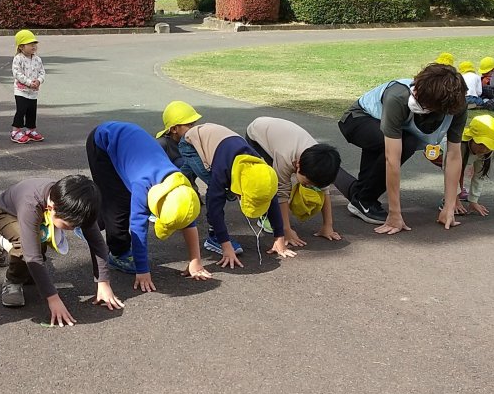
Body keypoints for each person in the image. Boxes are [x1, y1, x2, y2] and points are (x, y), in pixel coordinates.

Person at [336, 62, 468, 235]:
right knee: (407, 143)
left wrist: (449, 206)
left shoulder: (456, 106)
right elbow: (392, 159)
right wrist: (394, 214)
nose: (416, 95)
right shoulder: (398, 97)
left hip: (391, 130)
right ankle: (363, 200)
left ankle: (353, 188)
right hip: (358, 120)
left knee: (404, 144)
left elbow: (453, 156)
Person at [86, 121, 209, 292]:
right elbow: (138, 227)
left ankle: (95, 221)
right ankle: (118, 253)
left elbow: (187, 216)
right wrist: (143, 270)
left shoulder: (180, 185)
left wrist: (195, 260)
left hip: (130, 143)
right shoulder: (142, 184)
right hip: (102, 141)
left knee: (117, 195)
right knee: (117, 204)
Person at [0, 174, 124, 325]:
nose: (73, 229)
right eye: (69, 226)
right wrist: (53, 299)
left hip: (38, 215)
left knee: (35, 253)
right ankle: (12, 280)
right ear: (52, 208)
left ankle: (13, 245)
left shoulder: (80, 206)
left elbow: (97, 243)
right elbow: (32, 257)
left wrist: (103, 282)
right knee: (27, 247)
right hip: (6, 212)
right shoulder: (30, 205)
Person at [181, 123, 296, 268]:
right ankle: (214, 237)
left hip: (218, 142)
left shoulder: (263, 172)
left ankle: (179, 176)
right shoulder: (221, 171)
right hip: (192, 142)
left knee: (193, 174)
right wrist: (226, 246)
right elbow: (214, 208)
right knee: (218, 191)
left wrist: (279, 237)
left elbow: (271, 199)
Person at [244, 116, 345, 246]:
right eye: (307, 183)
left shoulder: (321, 162)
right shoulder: (285, 157)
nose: (309, 187)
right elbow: (281, 193)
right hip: (256, 136)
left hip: (281, 135)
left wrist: (328, 226)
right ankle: (265, 216)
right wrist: (285, 230)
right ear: (298, 165)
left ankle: (278, 217)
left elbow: (325, 191)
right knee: (269, 181)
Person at [424, 114, 494, 216]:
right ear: (471, 139)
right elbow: (449, 171)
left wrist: (473, 200)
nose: (484, 149)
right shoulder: (458, 145)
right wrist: (453, 201)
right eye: (481, 144)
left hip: (462, 159)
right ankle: (448, 199)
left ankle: (458, 191)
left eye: (489, 146)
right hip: (436, 151)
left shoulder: (486, 152)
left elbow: (479, 176)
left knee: (460, 168)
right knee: (456, 169)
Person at [156, 101, 205, 188]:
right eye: (189, 125)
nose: (193, 128)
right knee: (183, 162)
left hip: (185, 185)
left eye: (194, 124)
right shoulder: (162, 144)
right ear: (174, 129)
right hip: (167, 187)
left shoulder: (190, 141)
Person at [11, 29, 46, 144]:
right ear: (21, 47)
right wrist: (29, 82)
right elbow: (17, 74)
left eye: (34, 44)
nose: (33, 46)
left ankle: (31, 130)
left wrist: (39, 81)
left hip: (33, 92)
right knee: (21, 110)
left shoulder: (37, 59)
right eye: (30, 44)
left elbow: (42, 72)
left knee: (32, 111)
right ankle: (16, 131)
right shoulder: (18, 59)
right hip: (21, 90)